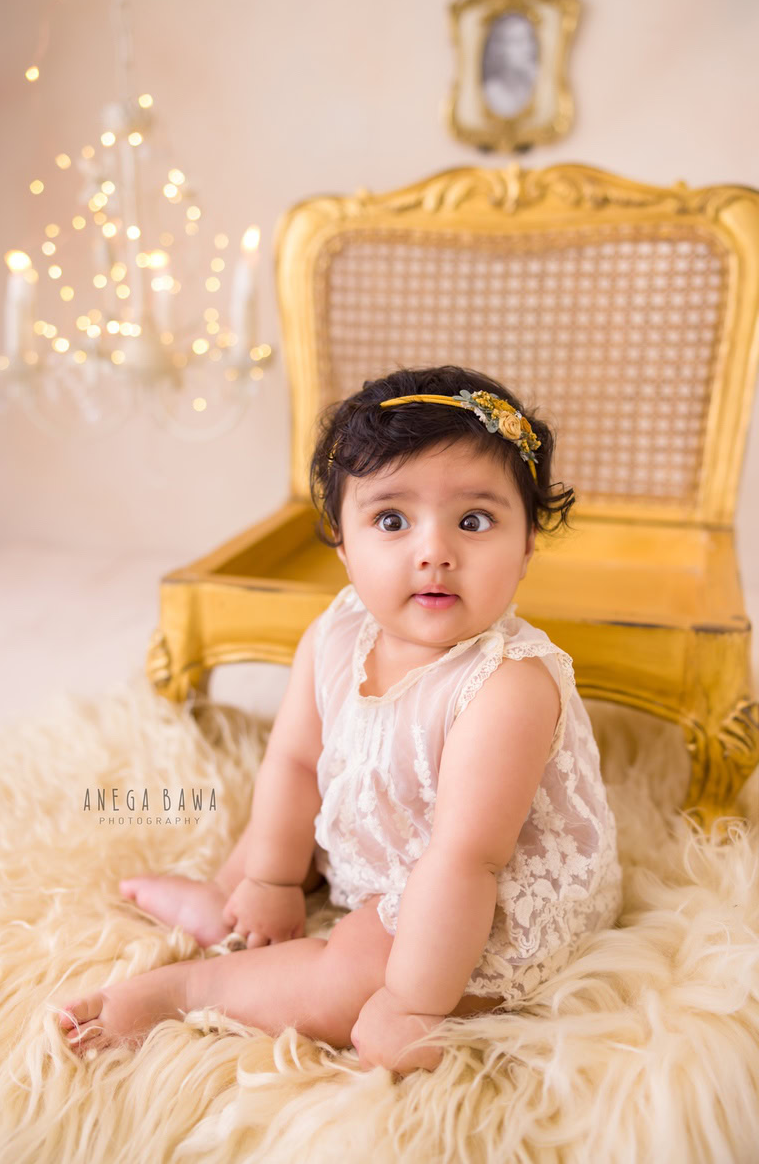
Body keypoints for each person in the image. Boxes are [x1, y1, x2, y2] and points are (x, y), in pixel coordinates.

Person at [57, 365, 623, 1074]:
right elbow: (296, 760)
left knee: (358, 961)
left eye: (474, 520)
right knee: (282, 822)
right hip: (393, 846)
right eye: (392, 519)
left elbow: (465, 859)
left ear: (529, 543)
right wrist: (269, 878)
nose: (433, 551)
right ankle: (228, 901)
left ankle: (188, 988)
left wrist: (413, 1003)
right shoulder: (337, 633)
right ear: (343, 542)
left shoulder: (506, 686)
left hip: (479, 898)